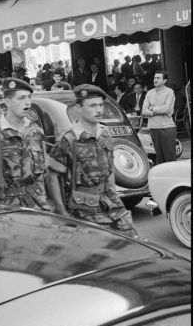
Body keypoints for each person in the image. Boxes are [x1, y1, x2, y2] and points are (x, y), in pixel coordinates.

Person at [46, 84, 139, 238]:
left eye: (101, 105)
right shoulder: (68, 139)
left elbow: (109, 170)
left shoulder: (105, 133)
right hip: (84, 208)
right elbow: (52, 175)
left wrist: (114, 195)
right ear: (79, 108)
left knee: (133, 241)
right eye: (93, 105)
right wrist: (61, 210)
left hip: (111, 202)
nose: (99, 110)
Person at [0, 79, 53, 211]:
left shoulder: (36, 132)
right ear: (7, 102)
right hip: (7, 210)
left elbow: (46, 171)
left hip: (39, 208)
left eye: (29, 97)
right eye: (21, 98)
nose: (27, 103)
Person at [142, 71, 177, 165]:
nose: (155, 80)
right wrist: (157, 112)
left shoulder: (169, 92)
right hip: (153, 128)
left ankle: (173, 178)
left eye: (158, 78)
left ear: (164, 80)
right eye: (155, 78)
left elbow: (167, 109)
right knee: (160, 157)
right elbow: (144, 111)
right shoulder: (149, 93)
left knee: (170, 157)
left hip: (166, 127)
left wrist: (152, 109)